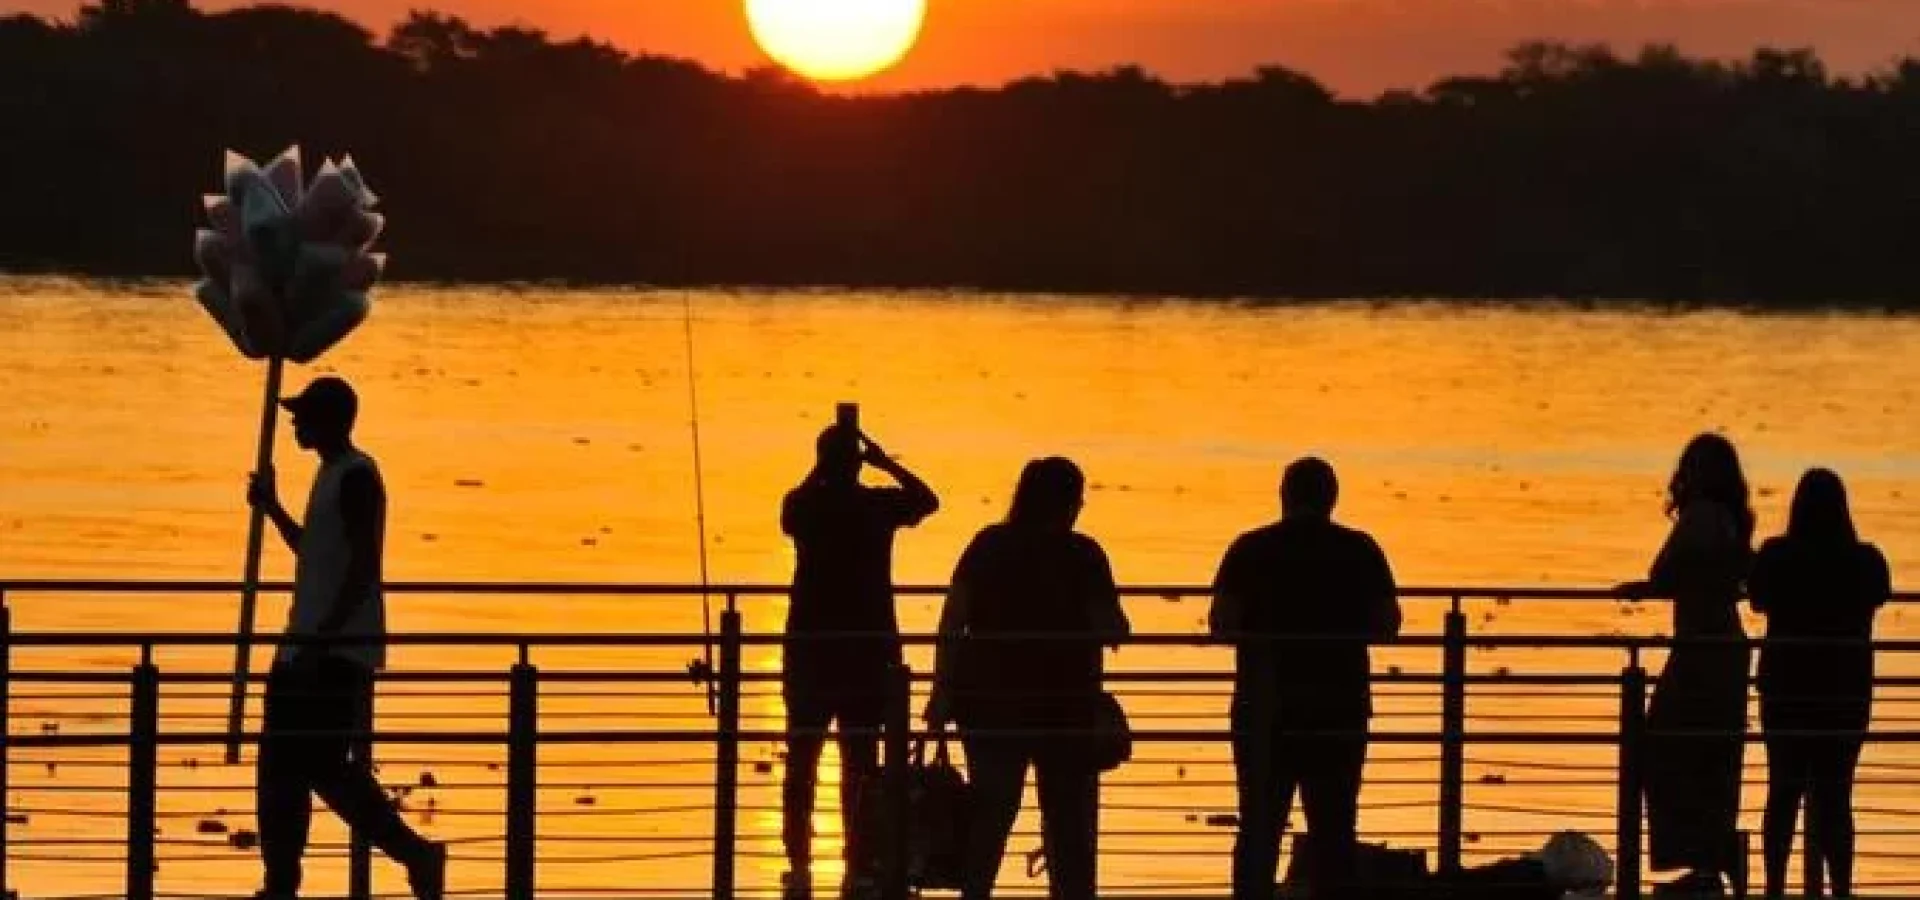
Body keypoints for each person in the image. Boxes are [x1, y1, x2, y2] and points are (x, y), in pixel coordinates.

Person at [245, 376, 446, 900]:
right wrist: (271, 509)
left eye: (303, 416)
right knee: (281, 767)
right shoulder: (330, 475)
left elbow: (362, 567)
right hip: (304, 642)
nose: (293, 423)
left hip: (329, 650)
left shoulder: (357, 476)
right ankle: (281, 880)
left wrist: (325, 639)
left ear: (329, 421)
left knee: (322, 767)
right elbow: (316, 551)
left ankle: (413, 852)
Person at [925, 457, 1129, 900]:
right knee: (1066, 817)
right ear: (1070, 502)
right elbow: (1110, 627)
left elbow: (952, 621)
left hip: (988, 703)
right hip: (1063, 706)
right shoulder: (1083, 554)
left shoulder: (988, 545)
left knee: (991, 812)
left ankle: (976, 891)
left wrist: (941, 690)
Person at [1210, 457, 1401, 900]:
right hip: (1339, 705)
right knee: (1334, 829)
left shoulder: (1250, 549)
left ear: (1283, 495)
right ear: (1332, 499)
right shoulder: (1359, 549)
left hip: (1264, 707)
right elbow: (1387, 623)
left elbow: (1221, 623)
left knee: (1259, 825)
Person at [780, 421, 939, 899]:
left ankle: (800, 862)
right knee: (862, 766)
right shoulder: (875, 506)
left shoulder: (806, 505)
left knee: (802, 763)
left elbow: (789, 516)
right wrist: (883, 460)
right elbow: (927, 499)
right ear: (857, 463)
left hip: (810, 653)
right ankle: (857, 859)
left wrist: (821, 469)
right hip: (869, 656)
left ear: (820, 461)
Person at [1621, 433, 1755, 898]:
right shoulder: (1732, 519)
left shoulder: (1700, 516)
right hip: (1725, 647)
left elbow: (1666, 572)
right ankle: (1714, 860)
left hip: (1701, 649)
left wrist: (1647, 586)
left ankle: (1705, 860)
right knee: (1713, 756)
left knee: (1663, 749)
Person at [1750, 469, 1890, 898]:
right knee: (1836, 797)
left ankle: (1774, 884)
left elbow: (1755, 597)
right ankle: (1841, 888)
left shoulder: (1776, 556)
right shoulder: (1866, 561)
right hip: (1843, 694)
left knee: (1783, 791)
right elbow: (1880, 594)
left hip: (1786, 691)